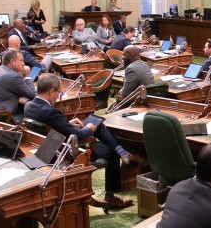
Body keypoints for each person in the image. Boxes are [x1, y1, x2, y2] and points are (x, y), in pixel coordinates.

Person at [24, 74, 134, 209]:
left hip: (49, 145)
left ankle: (119, 149)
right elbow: (77, 135)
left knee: (96, 122)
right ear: (51, 91)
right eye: (59, 92)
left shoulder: (29, 105)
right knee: (109, 151)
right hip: (66, 150)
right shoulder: (50, 112)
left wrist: (68, 123)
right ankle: (111, 194)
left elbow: (49, 127)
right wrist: (89, 128)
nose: (59, 95)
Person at [0, 49, 36, 122]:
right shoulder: (13, 76)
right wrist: (27, 76)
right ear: (12, 62)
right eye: (21, 60)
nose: (23, 63)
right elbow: (32, 95)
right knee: (35, 117)